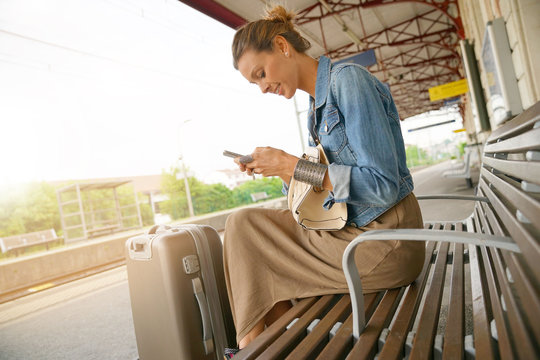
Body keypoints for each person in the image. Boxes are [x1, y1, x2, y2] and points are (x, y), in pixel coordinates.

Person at [222, 5, 424, 357]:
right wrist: (285, 171)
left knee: (253, 242)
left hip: (387, 240)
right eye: (254, 82)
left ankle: (254, 350)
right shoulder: (318, 108)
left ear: (283, 47)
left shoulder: (348, 81)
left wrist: (293, 164)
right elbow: (323, 190)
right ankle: (260, 348)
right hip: (359, 231)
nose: (263, 87)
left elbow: (383, 186)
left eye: (261, 73)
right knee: (246, 225)